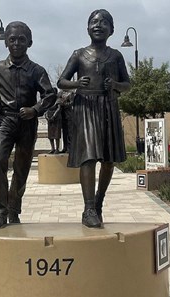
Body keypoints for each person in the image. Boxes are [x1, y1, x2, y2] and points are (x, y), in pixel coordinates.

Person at [58, 9, 130, 228]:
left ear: (112, 29)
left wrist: (116, 86)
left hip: (108, 106)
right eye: (94, 22)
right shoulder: (79, 54)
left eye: (104, 22)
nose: (98, 25)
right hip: (86, 107)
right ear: (87, 28)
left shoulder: (116, 55)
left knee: (108, 160)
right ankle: (88, 208)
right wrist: (77, 84)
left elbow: (128, 84)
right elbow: (62, 81)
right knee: (88, 158)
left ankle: (99, 202)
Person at [0, 21, 56, 228]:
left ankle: (14, 208)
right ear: (5, 42)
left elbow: (50, 94)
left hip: (27, 123)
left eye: (21, 39)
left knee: (21, 170)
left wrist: (36, 110)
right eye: (12, 39)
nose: (16, 43)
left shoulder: (36, 70)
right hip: (5, 121)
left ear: (29, 43)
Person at [45, 88, 62, 154]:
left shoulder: (58, 99)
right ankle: (52, 148)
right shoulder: (49, 101)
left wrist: (54, 116)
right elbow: (46, 109)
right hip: (50, 119)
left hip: (56, 119)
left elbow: (59, 108)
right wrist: (47, 117)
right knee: (50, 135)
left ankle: (57, 149)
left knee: (56, 135)